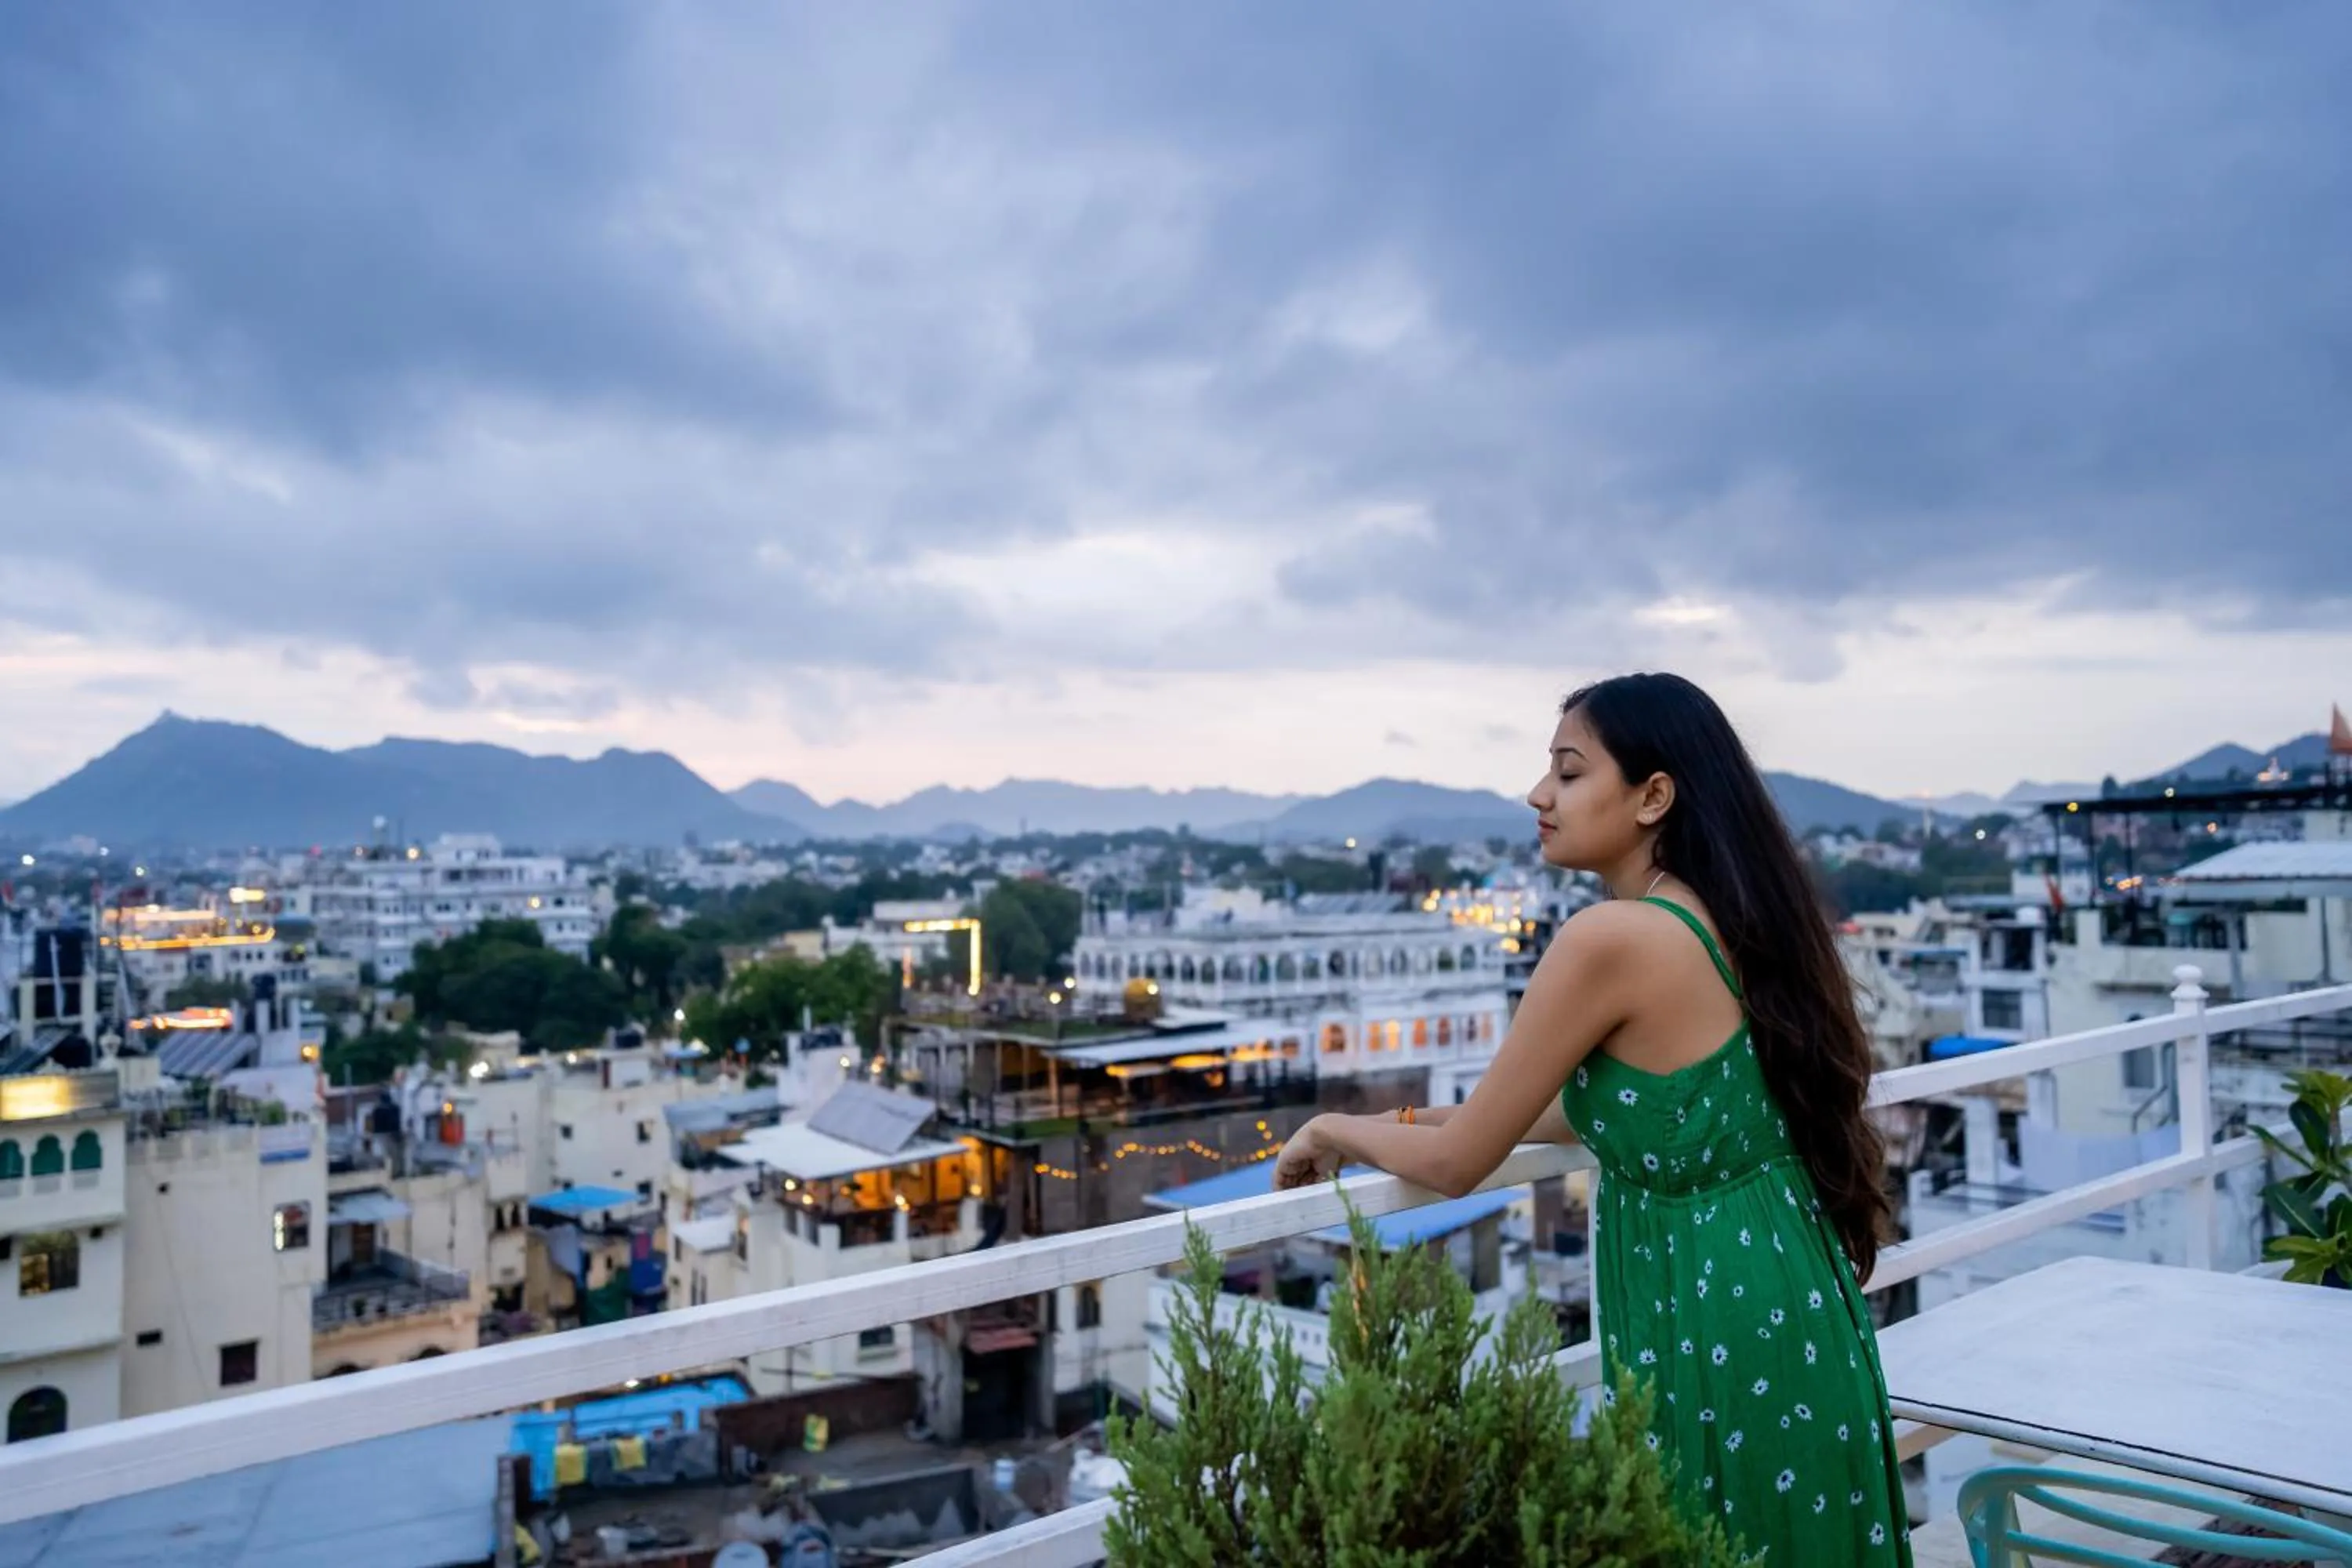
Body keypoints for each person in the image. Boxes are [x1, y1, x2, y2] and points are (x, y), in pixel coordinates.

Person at [1275, 672, 1911, 1564]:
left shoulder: (1610, 938)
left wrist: (1331, 1129)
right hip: (1791, 1297)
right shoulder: (1728, 919)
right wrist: (1403, 1118)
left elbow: (1459, 1166)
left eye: (1569, 772)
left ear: (1654, 796)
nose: (1539, 795)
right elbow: (1610, 1112)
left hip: (1706, 1311)